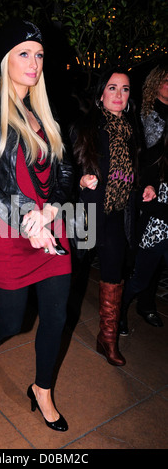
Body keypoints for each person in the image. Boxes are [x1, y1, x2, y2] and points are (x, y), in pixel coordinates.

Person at [0, 19, 73, 431]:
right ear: (6, 58)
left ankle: (42, 389)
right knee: (12, 321)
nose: (34, 62)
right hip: (9, 230)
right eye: (24, 53)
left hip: (51, 231)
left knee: (57, 317)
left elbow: (63, 175)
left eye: (39, 54)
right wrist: (26, 218)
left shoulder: (44, 112)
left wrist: (50, 211)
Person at [72, 67, 156, 366]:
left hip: (118, 213)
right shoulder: (86, 126)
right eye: (112, 88)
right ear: (100, 93)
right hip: (88, 211)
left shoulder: (133, 130)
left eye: (125, 89)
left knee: (113, 273)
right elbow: (67, 166)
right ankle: (57, 323)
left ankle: (107, 338)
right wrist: (80, 181)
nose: (119, 95)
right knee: (74, 270)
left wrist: (145, 185)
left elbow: (139, 168)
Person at [119, 63, 168, 334]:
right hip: (148, 191)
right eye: (167, 81)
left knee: (156, 257)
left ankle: (146, 304)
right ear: (155, 84)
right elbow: (141, 157)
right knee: (143, 254)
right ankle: (126, 306)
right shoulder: (144, 115)